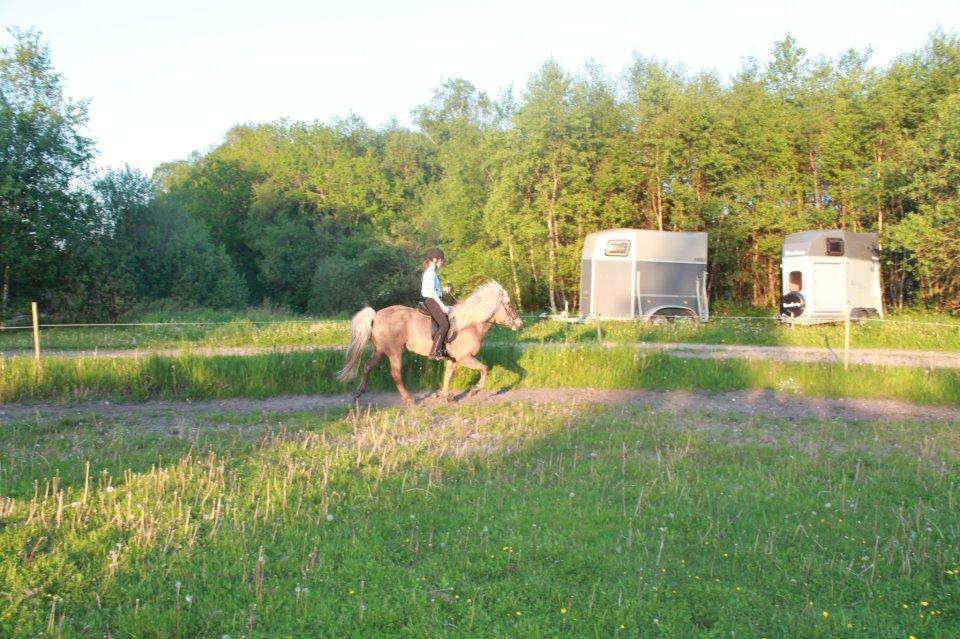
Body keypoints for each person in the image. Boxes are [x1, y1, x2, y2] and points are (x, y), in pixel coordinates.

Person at [421, 248, 450, 360]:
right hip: (432, 300)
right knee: (445, 325)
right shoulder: (430, 273)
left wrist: (443, 290)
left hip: (434, 299)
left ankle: (443, 349)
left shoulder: (432, 273)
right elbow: (432, 293)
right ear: (434, 259)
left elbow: (435, 289)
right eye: (441, 260)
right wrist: (442, 306)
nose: (442, 262)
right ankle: (434, 352)